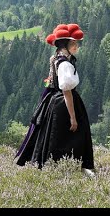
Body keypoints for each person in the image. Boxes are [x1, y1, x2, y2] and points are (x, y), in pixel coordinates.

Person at [15, 23, 95, 177]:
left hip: (53, 101)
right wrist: (72, 117)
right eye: (73, 43)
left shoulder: (56, 57)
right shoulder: (65, 64)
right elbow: (67, 91)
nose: (76, 46)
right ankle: (75, 168)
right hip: (63, 104)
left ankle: (56, 167)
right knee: (73, 134)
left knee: (54, 135)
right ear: (65, 45)